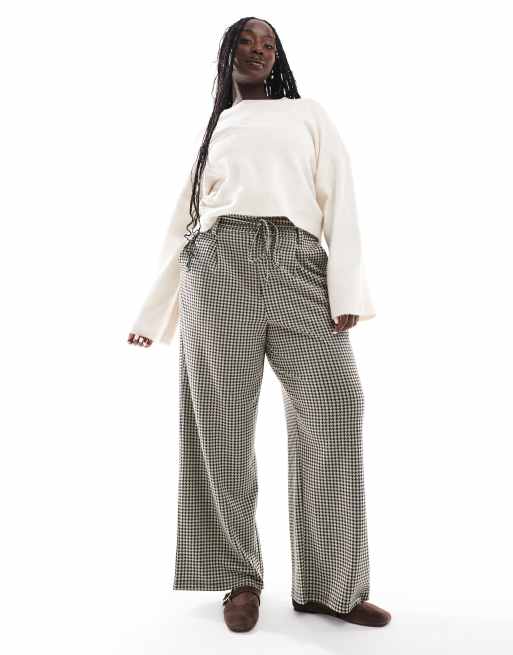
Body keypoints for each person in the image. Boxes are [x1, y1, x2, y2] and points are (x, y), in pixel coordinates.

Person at [127, 16, 391, 633]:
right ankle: (239, 578)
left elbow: (340, 198)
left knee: (336, 404)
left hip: (299, 265)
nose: (258, 51)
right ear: (228, 54)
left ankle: (330, 585)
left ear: (279, 57)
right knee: (220, 422)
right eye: (246, 42)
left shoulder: (308, 114)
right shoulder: (216, 127)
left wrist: (346, 288)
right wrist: (154, 311)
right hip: (219, 267)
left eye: (268, 43)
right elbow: (186, 219)